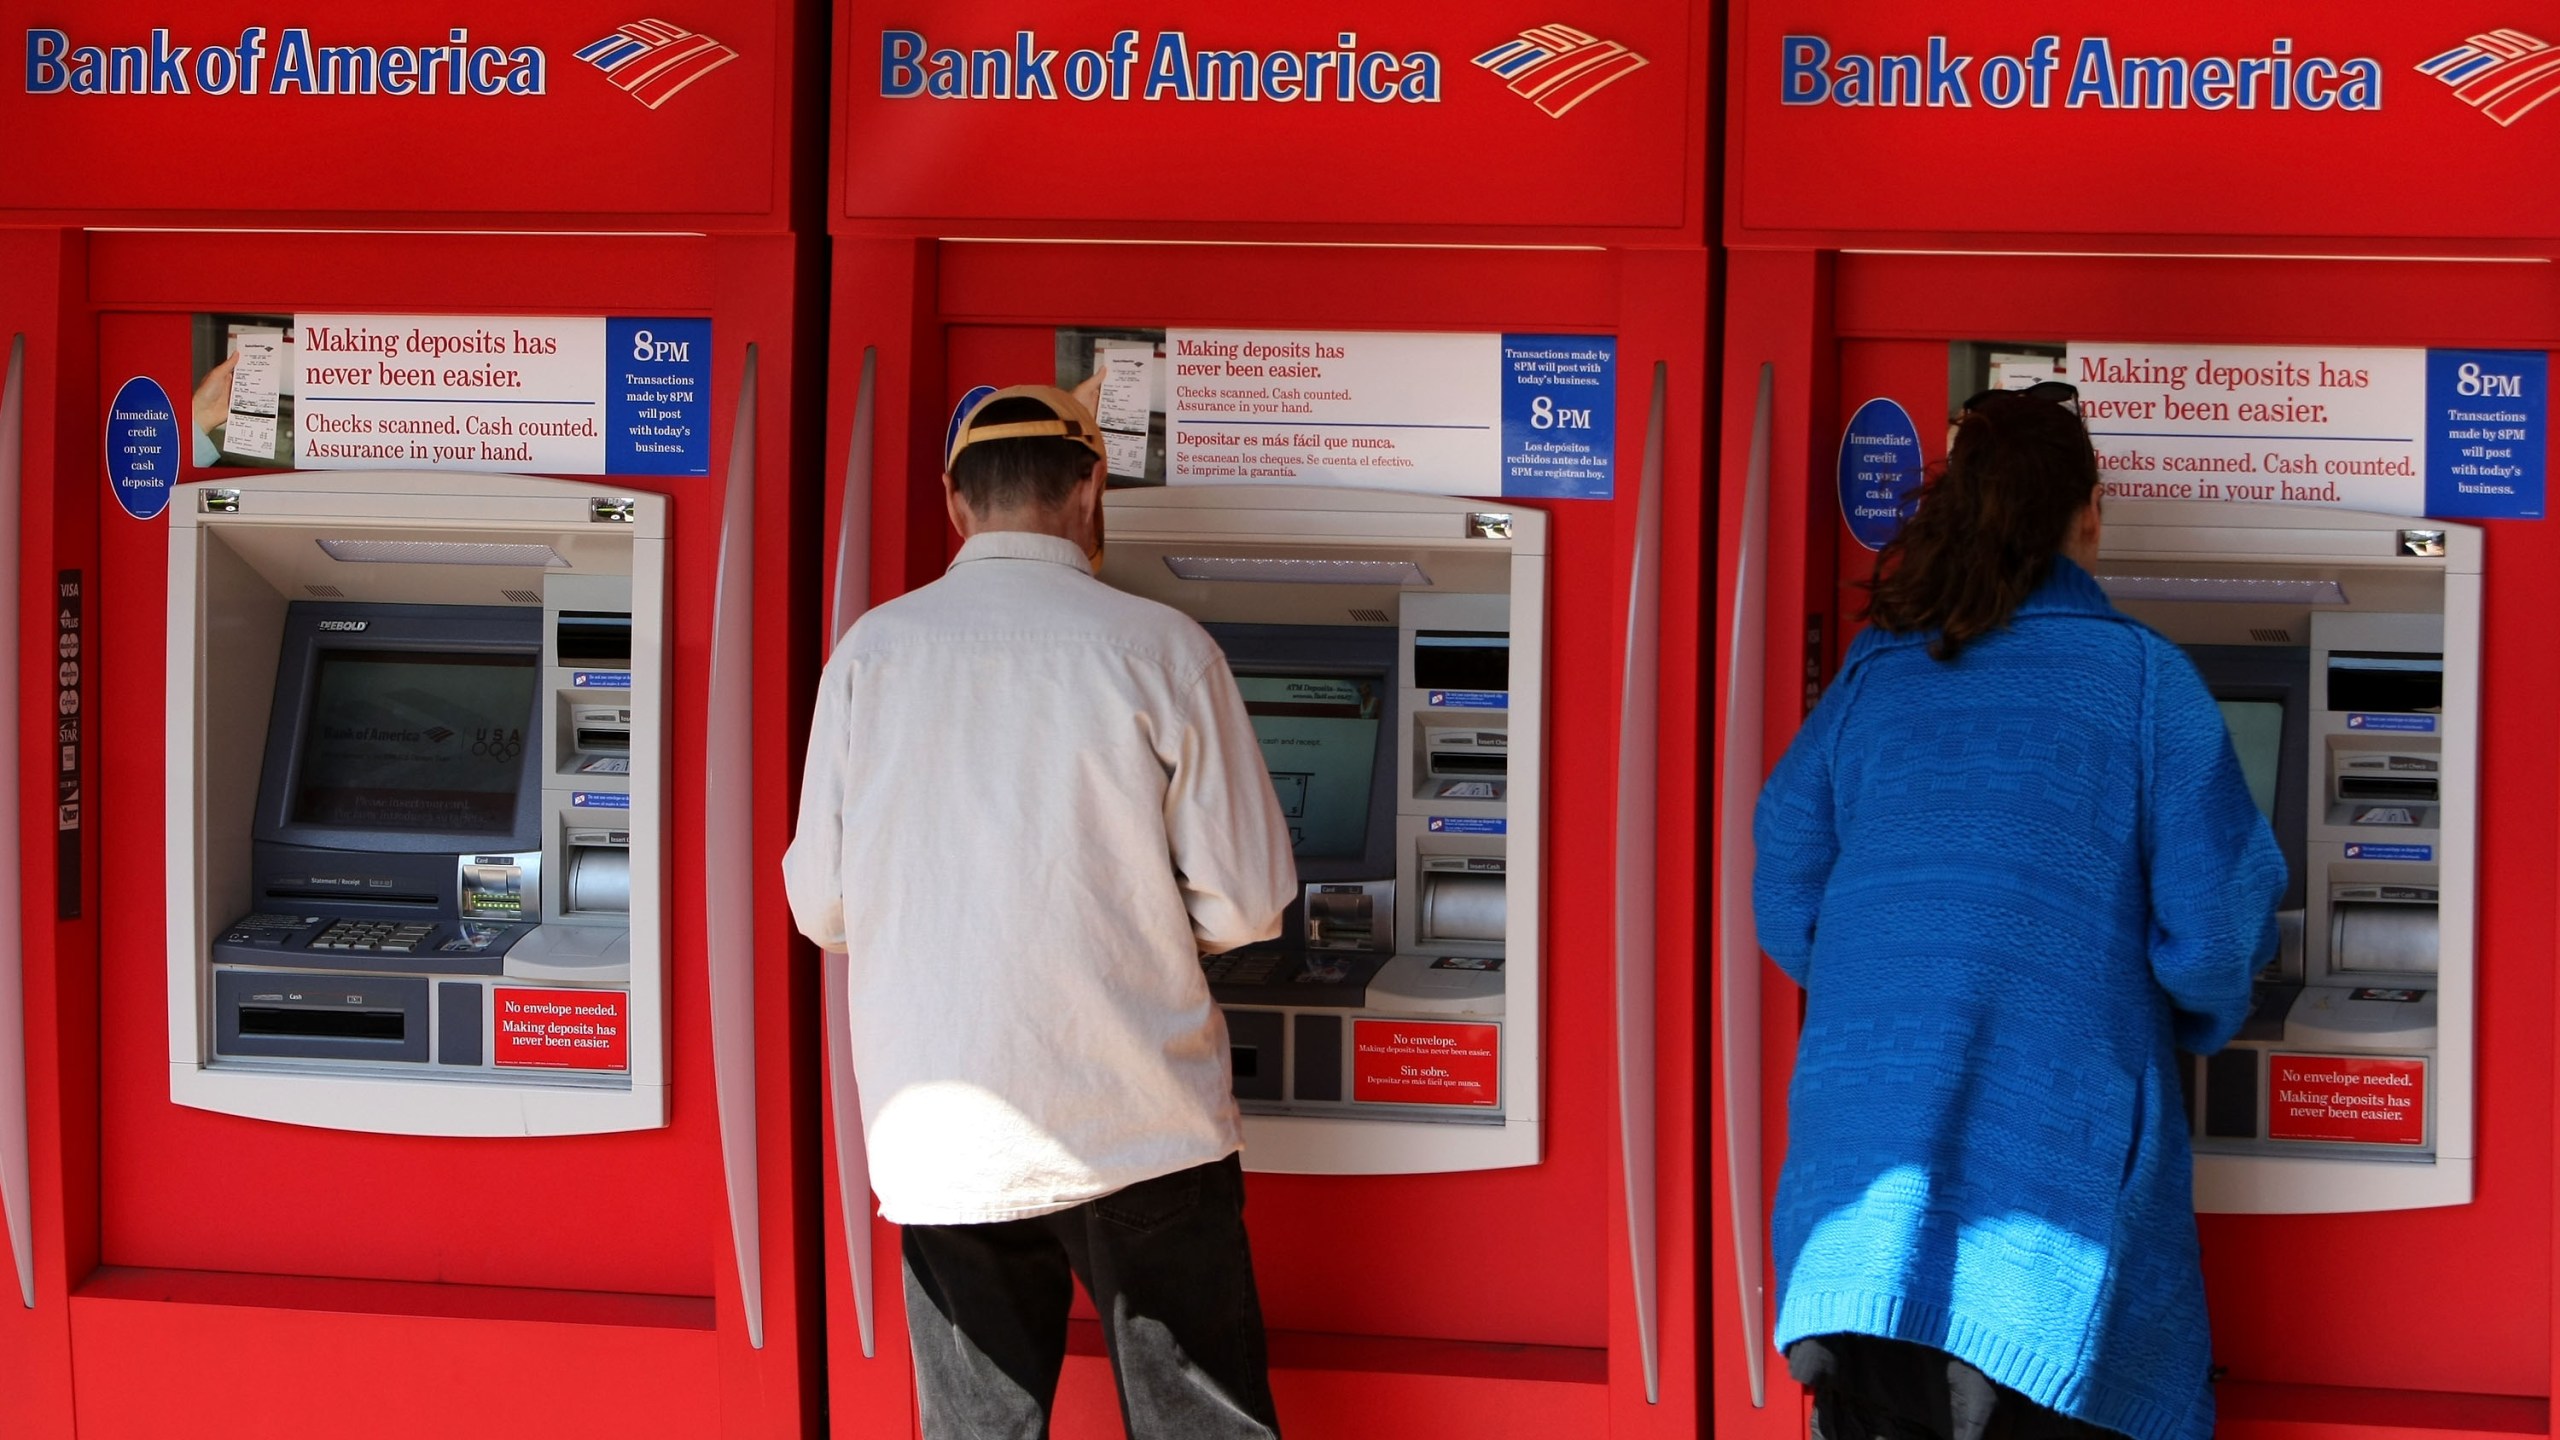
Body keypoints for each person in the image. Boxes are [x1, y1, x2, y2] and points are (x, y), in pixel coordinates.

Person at [1753, 391, 2286, 1440]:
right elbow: (2218, 938)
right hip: (2042, 1202)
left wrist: (1913, 971)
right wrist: (2162, 1014)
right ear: (2090, 513)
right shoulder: (2144, 685)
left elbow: (1786, 897)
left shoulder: (1874, 679)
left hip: (1852, 1206)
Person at [783, 384, 1296, 1439]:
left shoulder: (869, 657)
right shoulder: (1161, 648)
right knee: (1202, 1425)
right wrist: (1129, 919)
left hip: (942, 1131)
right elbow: (1246, 904)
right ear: (1090, 486)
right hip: (1137, 1119)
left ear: (953, 502)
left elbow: (823, 905)